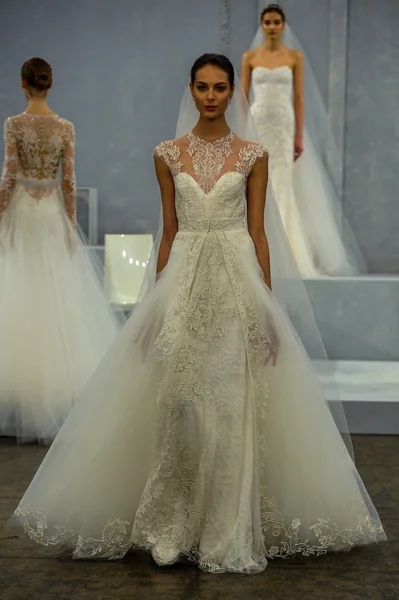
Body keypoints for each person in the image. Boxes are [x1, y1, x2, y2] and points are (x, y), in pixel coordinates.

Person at [8, 54, 385, 574]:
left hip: (235, 281)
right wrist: (153, 308)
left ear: (234, 93)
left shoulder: (253, 154)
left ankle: (226, 528)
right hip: (184, 281)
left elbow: (257, 234)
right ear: (191, 90)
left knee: (232, 402)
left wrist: (267, 307)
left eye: (220, 87)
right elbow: (169, 231)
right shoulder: (167, 153)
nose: (211, 95)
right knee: (178, 401)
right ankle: (174, 520)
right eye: (203, 87)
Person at [0, 57, 123, 443]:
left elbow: (8, 173)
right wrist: (71, 223)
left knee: (21, 287)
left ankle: (19, 387)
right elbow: (69, 179)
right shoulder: (65, 127)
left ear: (23, 84)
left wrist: (1, 210)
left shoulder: (14, 124)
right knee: (54, 292)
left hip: (22, 207)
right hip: (51, 210)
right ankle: (55, 383)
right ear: (48, 84)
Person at [242, 4, 364, 276]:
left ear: (283, 25)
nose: (272, 27)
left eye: (276, 22)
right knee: (258, 183)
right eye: (268, 22)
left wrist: (298, 135)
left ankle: (288, 252)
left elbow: (298, 97)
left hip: (283, 124)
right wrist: (241, 132)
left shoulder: (294, 57)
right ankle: (255, 248)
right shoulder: (250, 56)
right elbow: (242, 96)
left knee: (282, 183)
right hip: (258, 121)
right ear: (262, 25)